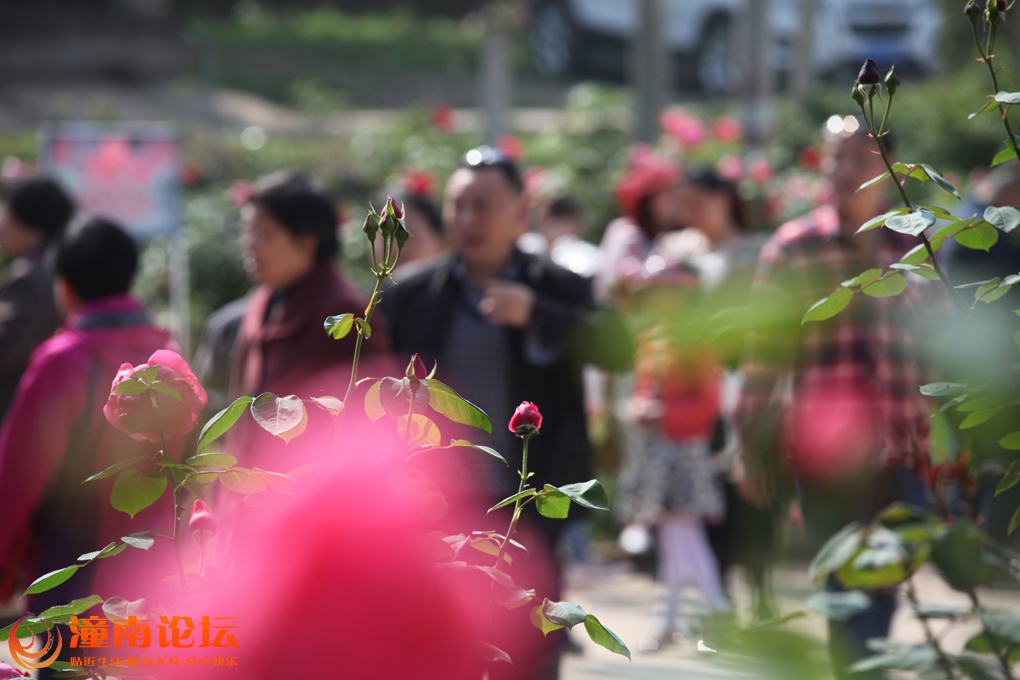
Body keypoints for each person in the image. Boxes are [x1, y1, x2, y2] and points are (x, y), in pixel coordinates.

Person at [378, 146, 632, 680]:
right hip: (441, 501)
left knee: (529, 643)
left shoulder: (558, 284)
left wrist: (538, 313)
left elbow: (619, 350)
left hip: (531, 501)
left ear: (521, 212)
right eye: (459, 205)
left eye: (485, 205)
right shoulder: (415, 293)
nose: (469, 219)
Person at [735, 122, 935, 679]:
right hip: (827, 455)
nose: (844, 171)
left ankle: (861, 668)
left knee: (891, 577)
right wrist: (749, 448)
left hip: (905, 446)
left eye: (859, 159)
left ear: (890, 171)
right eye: (835, 159)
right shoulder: (793, 248)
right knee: (840, 579)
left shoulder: (915, 247)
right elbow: (762, 358)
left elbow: (940, 351)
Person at [0, 219, 180, 676]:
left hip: (72, 574)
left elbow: (16, 478)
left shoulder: (62, 360)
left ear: (64, 287)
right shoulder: (166, 357)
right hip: (152, 576)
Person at [226, 171, 394, 464]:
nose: (249, 243)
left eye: (263, 233)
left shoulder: (344, 314)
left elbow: (369, 426)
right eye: (247, 230)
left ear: (306, 243)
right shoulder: (265, 299)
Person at [0, 176, 75, 422]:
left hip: (15, 408)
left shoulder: (29, 275)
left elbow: (7, 349)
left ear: (25, 221)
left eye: (6, 213)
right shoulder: (61, 266)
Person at [595, 145, 682, 300]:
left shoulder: (676, 236)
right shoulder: (625, 232)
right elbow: (609, 282)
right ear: (649, 200)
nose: (674, 202)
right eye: (667, 196)